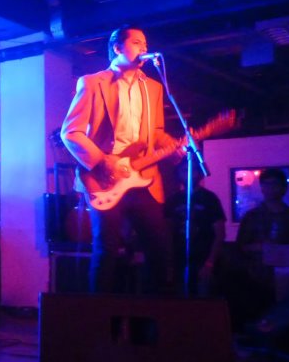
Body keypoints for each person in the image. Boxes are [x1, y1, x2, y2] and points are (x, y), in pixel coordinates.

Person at [61, 24, 182, 293]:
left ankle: (155, 314)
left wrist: (174, 145)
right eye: (137, 42)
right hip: (104, 178)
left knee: (159, 248)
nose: (144, 48)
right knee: (107, 249)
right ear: (117, 48)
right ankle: (100, 314)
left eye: (145, 44)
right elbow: (70, 132)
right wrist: (102, 161)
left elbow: (156, 132)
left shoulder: (153, 87)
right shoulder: (92, 83)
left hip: (143, 178)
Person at [164, 161, 226, 296]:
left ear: (199, 173)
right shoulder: (173, 200)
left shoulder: (209, 198)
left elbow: (220, 233)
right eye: (184, 170)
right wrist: (169, 263)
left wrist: (210, 262)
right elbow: (167, 232)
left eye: (192, 170)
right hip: (180, 260)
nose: (188, 174)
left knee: (204, 300)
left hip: (203, 259)